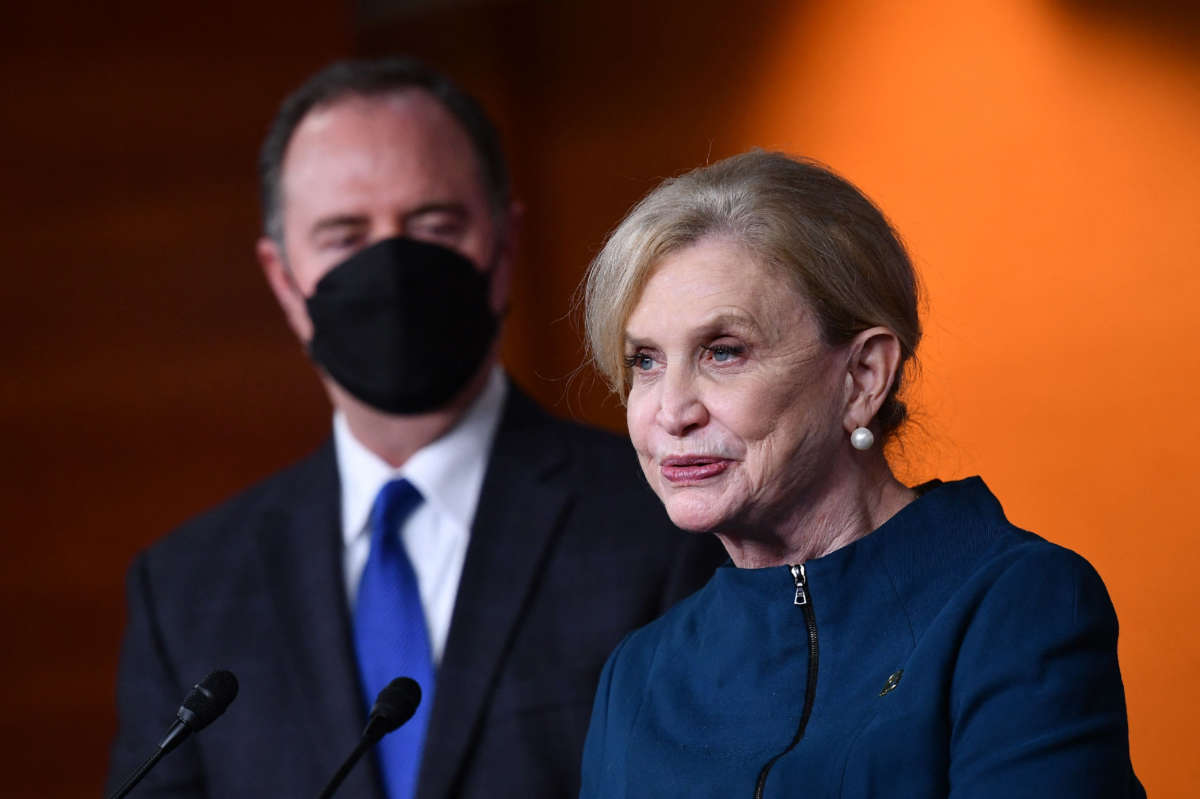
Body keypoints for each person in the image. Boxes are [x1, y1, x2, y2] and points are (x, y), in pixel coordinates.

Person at [106, 58, 721, 799]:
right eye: (343, 235)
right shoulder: (184, 589)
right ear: (283, 279)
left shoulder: (667, 520)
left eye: (434, 226)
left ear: (503, 250)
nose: (392, 266)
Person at [578, 150, 1144, 797]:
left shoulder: (1017, 606)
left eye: (724, 351)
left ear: (863, 377)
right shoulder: (640, 672)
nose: (671, 410)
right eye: (645, 361)